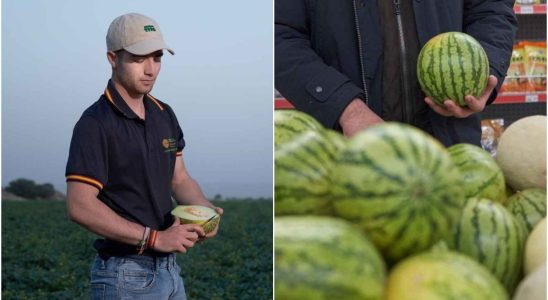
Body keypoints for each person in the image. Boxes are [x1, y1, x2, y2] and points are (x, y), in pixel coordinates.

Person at [65, 13, 223, 299]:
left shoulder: (164, 114)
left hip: (170, 271)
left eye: (157, 57)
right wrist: (156, 238)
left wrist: (204, 210)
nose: (151, 69)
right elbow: (80, 206)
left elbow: (180, 178)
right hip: (124, 276)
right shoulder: (95, 124)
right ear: (113, 58)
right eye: (139, 59)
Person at [275, 0, 517, 146]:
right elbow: (277, 33)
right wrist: (345, 109)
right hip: (345, 152)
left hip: (450, 144)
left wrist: (484, 71)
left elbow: (491, 11)